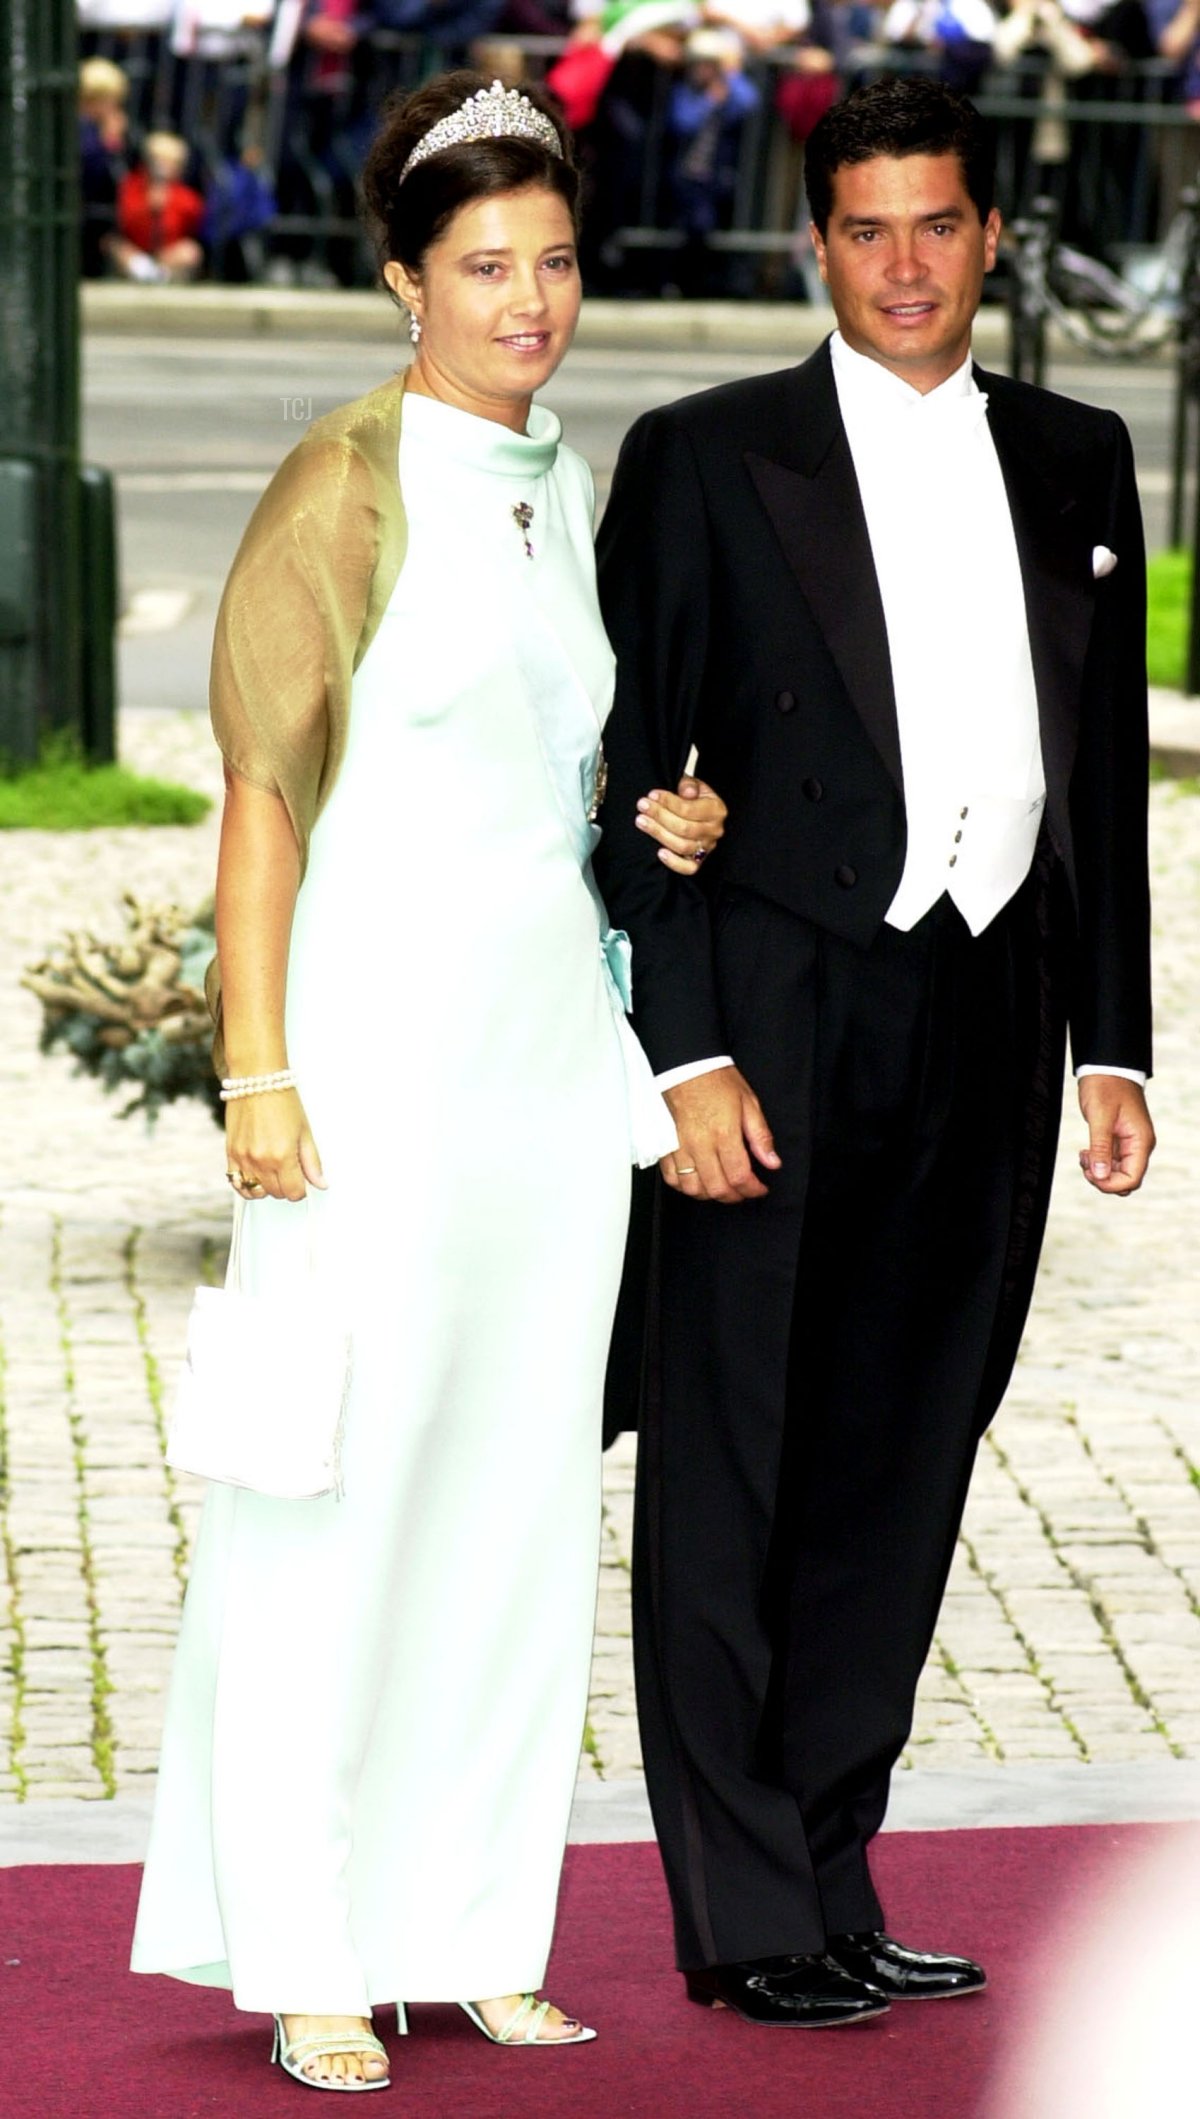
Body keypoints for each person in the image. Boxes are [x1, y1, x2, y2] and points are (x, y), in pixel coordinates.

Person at [131, 69, 726, 2091]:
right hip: (367, 1075)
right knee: (334, 1505)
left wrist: (678, 823)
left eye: (554, 263)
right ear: (405, 278)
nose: (529, 301)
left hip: (550, 1084)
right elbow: (266, 809)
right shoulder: (344, 483)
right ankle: (302, 1945)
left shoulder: (569, 485)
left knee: (506, 1516)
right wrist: (259, 1075)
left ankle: (473, 1923)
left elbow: (564, 799)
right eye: (486, 268)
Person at [594, 74, 1154, 2029]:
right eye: (867, 228)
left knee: (903, 1464)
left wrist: (1119, 1045)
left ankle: (832, 1868)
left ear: (995, 237)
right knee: (737, 1467)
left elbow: (1105, 789)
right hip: (779, 1017)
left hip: (992, 1023)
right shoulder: (701, 456)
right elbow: (627, 790)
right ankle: (744, 1905)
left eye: (940, 223)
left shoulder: (1083, 458)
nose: (905, 263)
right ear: (815, 244)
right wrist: (683, 1060)